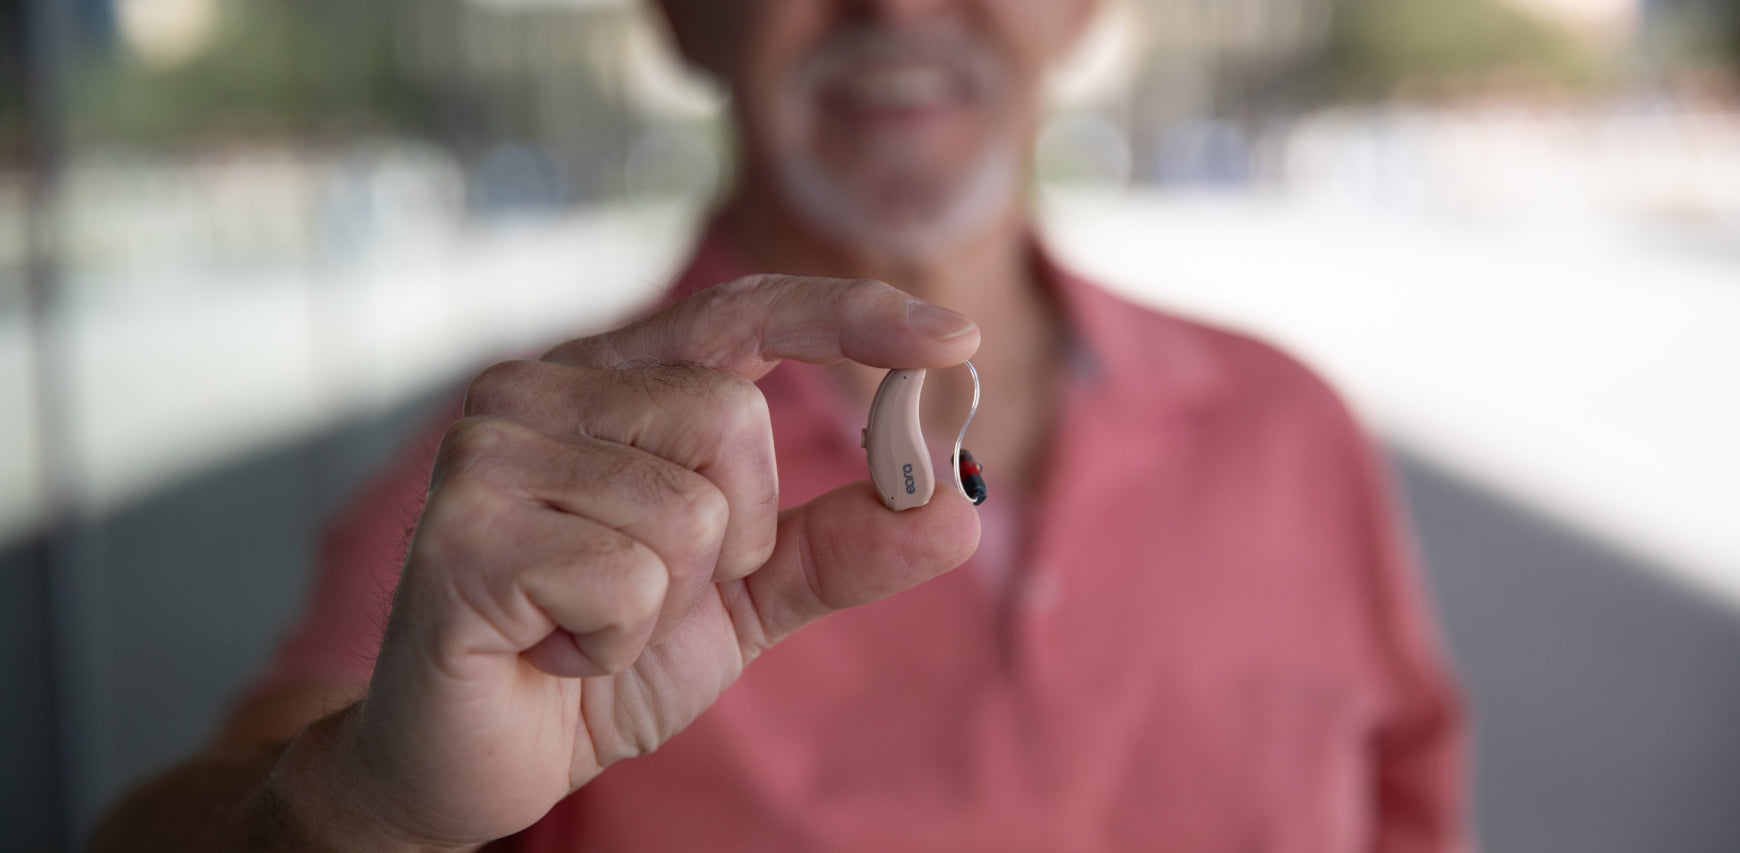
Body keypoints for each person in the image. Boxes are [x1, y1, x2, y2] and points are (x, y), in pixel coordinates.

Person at [93, 0, 1469, 850]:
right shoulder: (520, 484)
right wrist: (360, 813)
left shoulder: (1292, 426)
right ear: (677, 16)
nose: (900, 3)